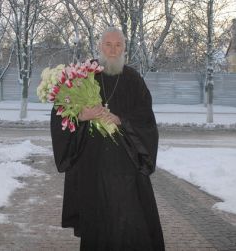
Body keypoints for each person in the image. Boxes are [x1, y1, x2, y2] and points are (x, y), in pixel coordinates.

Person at [50, 27, 165, 251]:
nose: (113, 50)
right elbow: (60, 112)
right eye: (108, 45)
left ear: (125, 48)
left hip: (127, 170)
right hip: (92, 168)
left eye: (118, 45)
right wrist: (82, 116)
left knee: (132, 223)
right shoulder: (83, 75)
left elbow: (147, 120)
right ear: (100, 46)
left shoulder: (133, 79)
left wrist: (121, 120)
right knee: (98, 225)